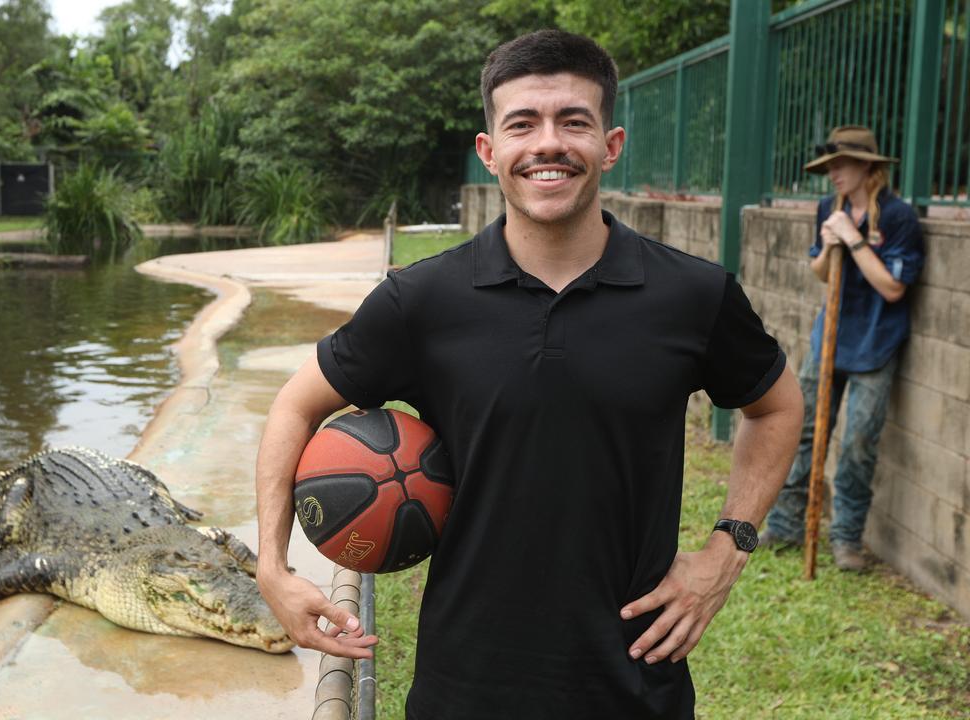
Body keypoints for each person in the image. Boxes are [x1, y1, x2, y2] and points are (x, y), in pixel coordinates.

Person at [254, 29, 803, 719]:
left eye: (574, 120)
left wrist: (729, 549)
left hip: (635, 688)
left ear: (612, 144)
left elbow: (777, 407)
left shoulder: (692, 295)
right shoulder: (422, 301)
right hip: (464, 688)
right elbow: (294, 407)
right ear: (491, 152)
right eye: (523, 124)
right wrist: (271, 568)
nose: (548, 143)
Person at [760, 125, 925, 571]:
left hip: (876, 343)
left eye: (840, 164)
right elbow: (821, 272)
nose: (832, 173)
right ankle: (788, 524)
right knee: (806, 430)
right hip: (827, 339)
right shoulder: (826, 208)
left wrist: (852, 239)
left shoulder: (897, 217)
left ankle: (847, 539)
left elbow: (892, 288)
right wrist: (829, 244)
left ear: (866, 166)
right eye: (828, 166)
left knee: (857, 442)